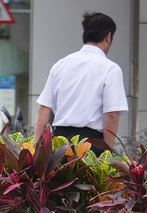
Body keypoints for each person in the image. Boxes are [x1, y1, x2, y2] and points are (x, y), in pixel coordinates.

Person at [34, 11, 128, 155]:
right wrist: (107, 154)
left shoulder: (61, 64)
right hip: (91, 145)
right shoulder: (111, 69)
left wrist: (36, 149)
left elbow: (44, 110)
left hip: (60, 143)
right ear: (108, 37)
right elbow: (111, 116)